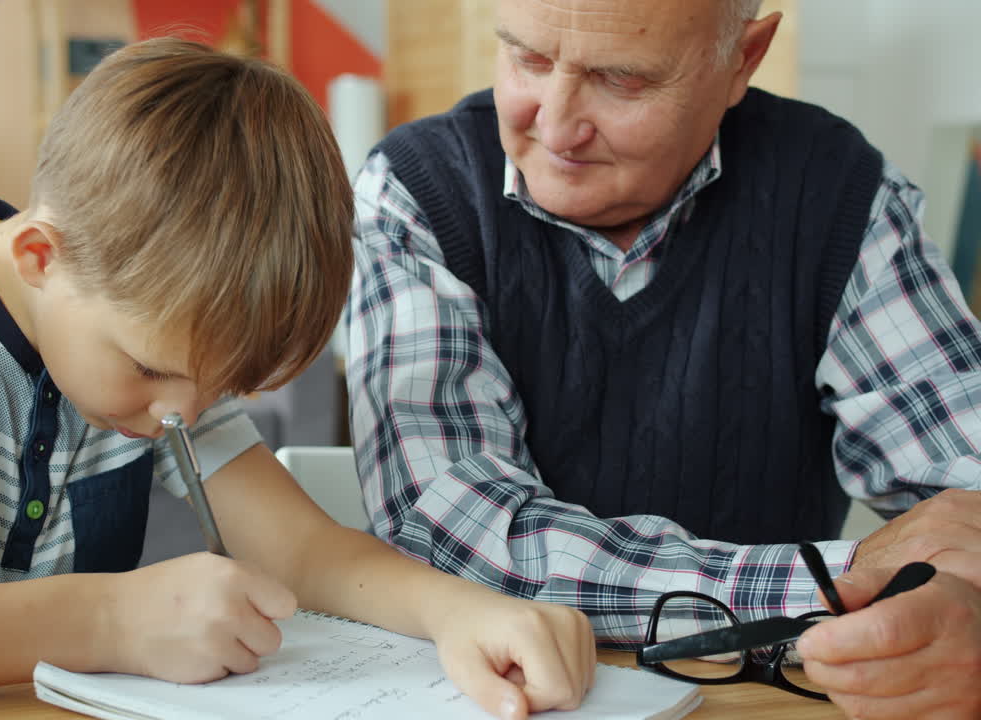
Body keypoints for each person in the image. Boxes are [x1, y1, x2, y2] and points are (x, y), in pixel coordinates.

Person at [0, 39, 596, 718]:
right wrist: (106, 621)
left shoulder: (158, 373)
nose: (182, 416)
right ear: (43, 255)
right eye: (155, 370)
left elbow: (306, 553)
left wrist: (464, 613)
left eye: (216, 391)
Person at [343, 1, 981, 717]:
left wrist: (957, 608)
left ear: (744, 57)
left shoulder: (840, 195)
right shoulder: (417, 192)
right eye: (527, 58)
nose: (554, 125)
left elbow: (965, 500)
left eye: (620, 79)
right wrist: (832, 579)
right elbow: (455, 534)